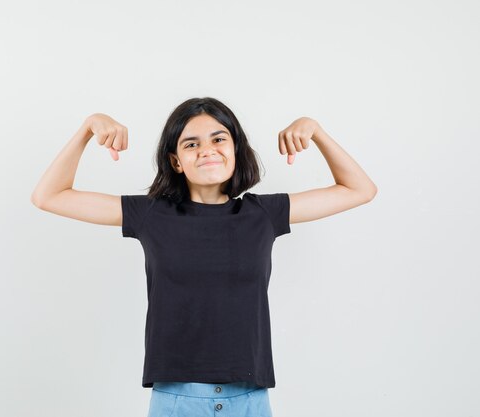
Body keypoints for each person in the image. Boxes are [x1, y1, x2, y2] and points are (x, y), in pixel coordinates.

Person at [31, 97, 377, 417]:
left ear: (236, 150)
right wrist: (89, 127)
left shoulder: (263, 214)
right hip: (176, 399)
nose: (207, 150)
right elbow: (49, 196)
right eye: (191, 143)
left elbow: (360, 189)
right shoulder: (151, 214)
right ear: (176, 161)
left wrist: (314, 130)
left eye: (218, 139)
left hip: (250, 400)